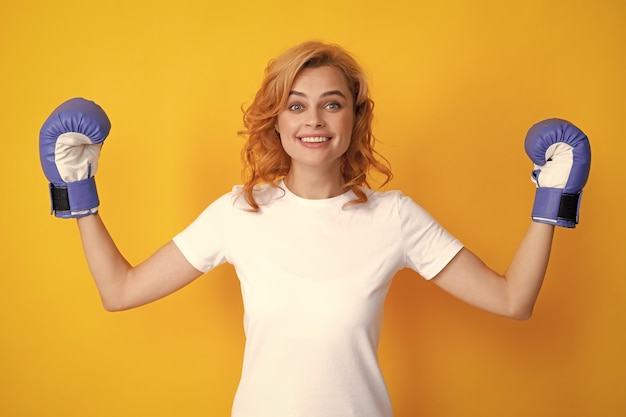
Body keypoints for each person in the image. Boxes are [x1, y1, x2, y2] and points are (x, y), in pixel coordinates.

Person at [38, 41, 591, 417]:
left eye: (332, 104)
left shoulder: (394, 217)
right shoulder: (240, 211)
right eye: (295, 105)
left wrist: (553, 198)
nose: (314, 121)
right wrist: (78, 193)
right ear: (276, 121)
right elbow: (120, 291)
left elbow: (513, 300)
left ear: (355, 118)